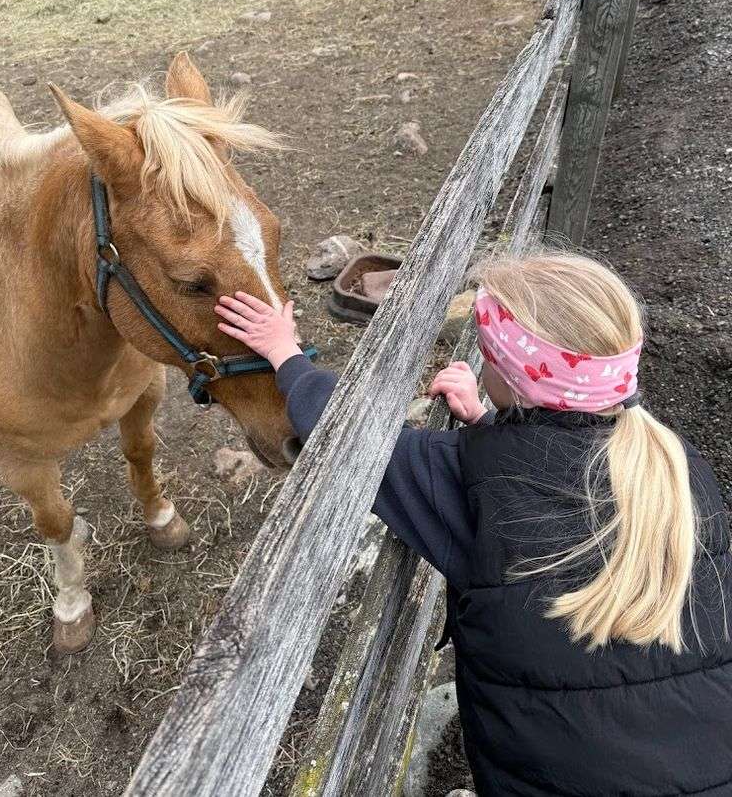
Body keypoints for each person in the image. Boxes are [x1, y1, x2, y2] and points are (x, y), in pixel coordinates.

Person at [215, 251, 732, 797]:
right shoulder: (673, 465)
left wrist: (283, 352)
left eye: (488, 355)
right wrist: (488, 423)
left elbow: (345, 432)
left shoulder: (468, 480)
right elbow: (558, 489)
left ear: (509, 375)